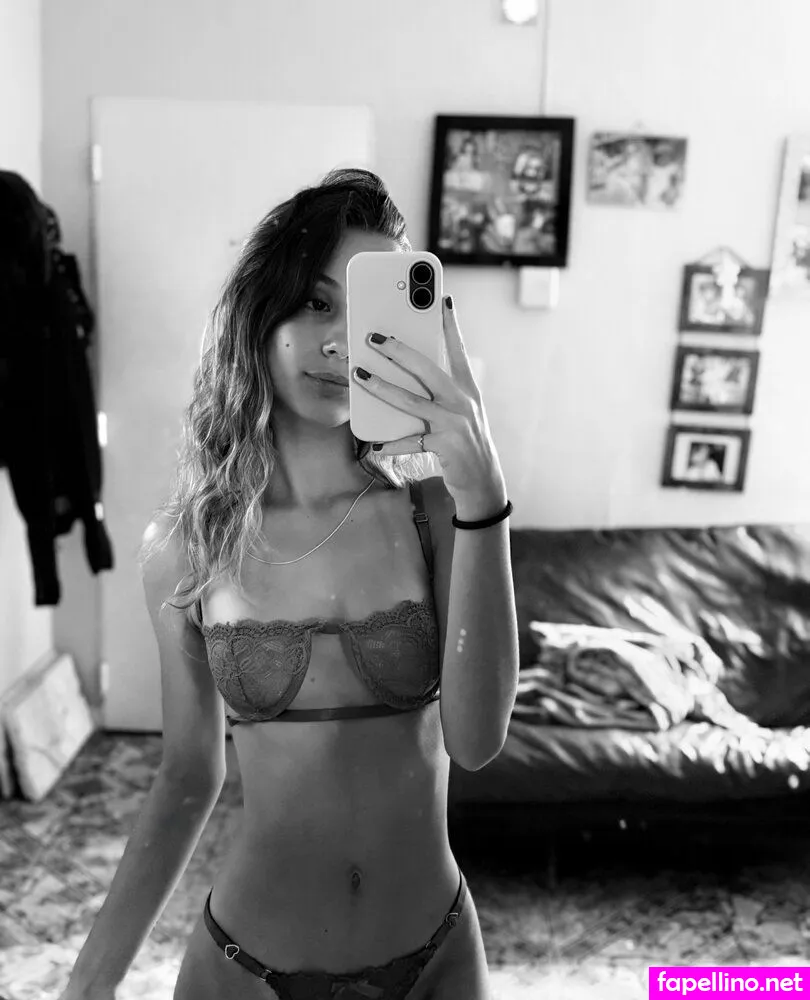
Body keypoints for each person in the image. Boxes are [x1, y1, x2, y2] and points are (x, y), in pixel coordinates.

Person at [58, 168, 519, 1000]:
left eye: (366, 315)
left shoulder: (439, 514)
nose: (341, 341)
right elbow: (187, 778)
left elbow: (478, 741)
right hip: (246, 969)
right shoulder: (187, 545)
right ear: (260, 314)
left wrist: (486, 498)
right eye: (315, 303)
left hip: (438, 959)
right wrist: (87, 984)